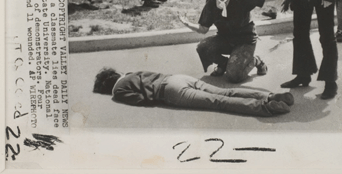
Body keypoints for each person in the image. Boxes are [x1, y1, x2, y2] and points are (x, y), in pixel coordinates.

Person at [178, 0, 285, 84]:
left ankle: (255, 60)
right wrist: (187, 23)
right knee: (203, 47)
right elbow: (203, 29)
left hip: (245, 41)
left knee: (234, 76)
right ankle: (225, 64)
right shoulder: (211, 4)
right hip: (226, 40)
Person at [93, 68, 294, 117]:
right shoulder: (129, 73)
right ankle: (267, 95)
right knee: (226, 92)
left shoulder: (117, 90)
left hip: (170, 91)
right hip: (177, 78)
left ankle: (266, 108)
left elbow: (138, 100)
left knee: (218, 102)